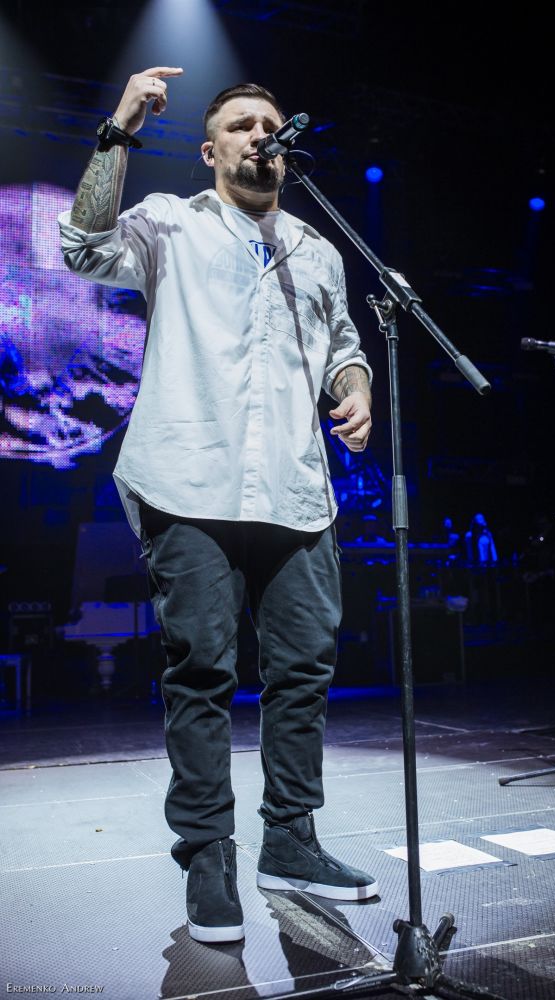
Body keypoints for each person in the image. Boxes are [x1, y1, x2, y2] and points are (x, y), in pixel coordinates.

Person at [58, 67, 378, 944]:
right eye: (240, 125)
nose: (258, 134)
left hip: (294, 490)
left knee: (303, 670)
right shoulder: (171, 222)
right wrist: (120, 127)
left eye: (269, 123)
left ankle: (291, 840)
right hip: (187, 480)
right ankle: (206, 857)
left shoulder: (317, 248)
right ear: (209, 150)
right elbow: (83, 248)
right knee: (200, 673)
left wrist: (355, 388)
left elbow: (342, 345)